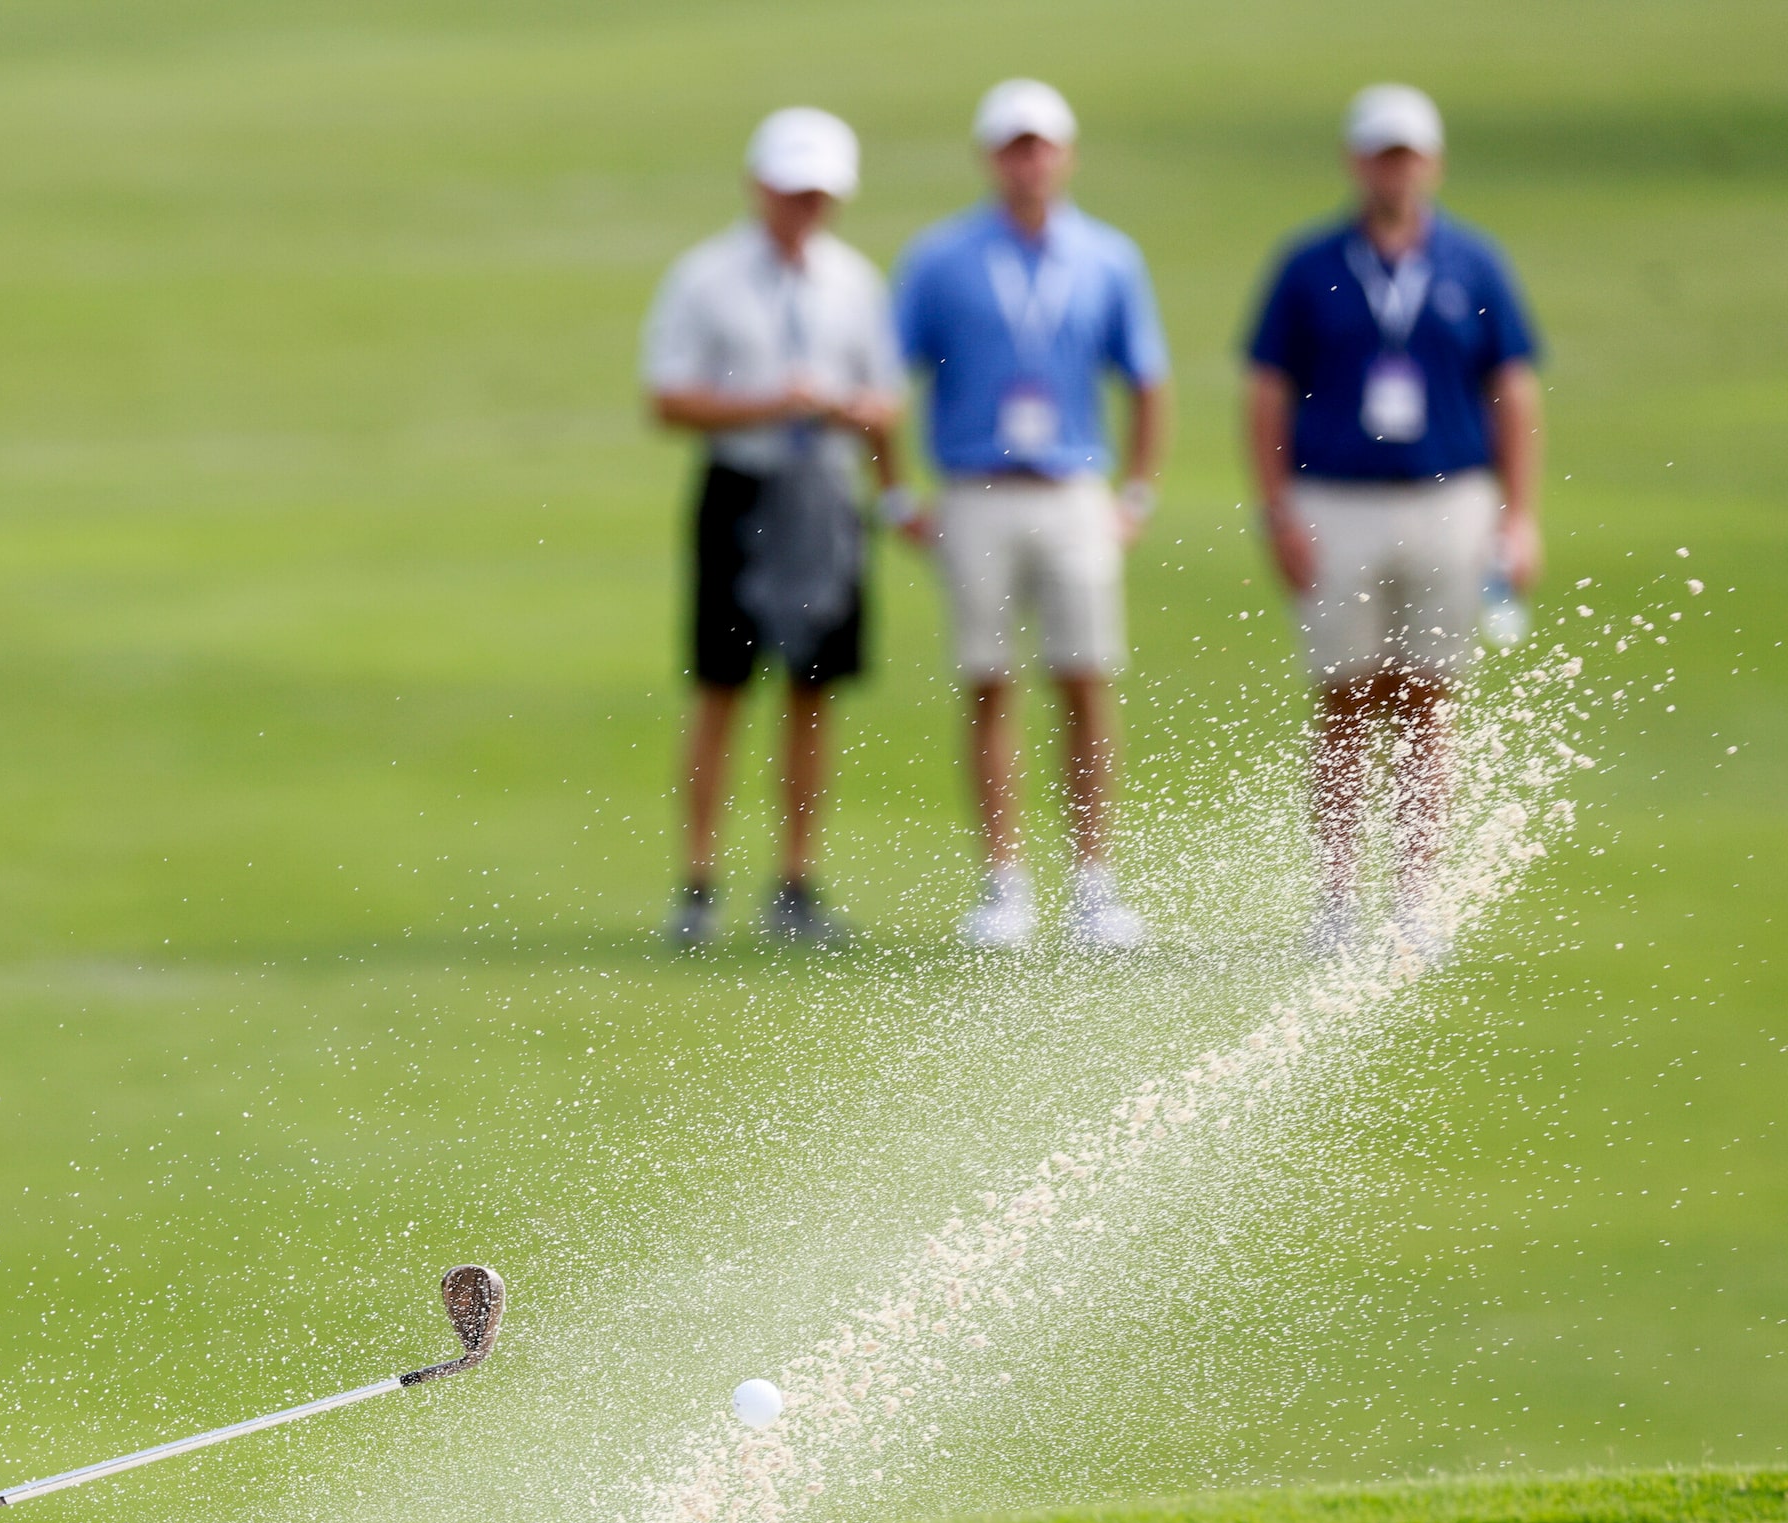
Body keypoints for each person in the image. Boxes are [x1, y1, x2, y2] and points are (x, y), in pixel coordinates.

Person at [1243, 84, 1542, 964]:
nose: (1394, 169)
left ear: (1432, 163)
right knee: (1343, 696)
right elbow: (1265, 395)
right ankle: (1337, 900)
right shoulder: (1309, 267)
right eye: (1380, 153)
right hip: (1336, 499)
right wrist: (1276, 510)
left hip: (1450, 496)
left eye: (1407, 154)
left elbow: (1512, 391)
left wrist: (1518, 518)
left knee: (1426, 701)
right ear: (1355, 162)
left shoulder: (1472, 265)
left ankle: (1414, 898)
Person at [891, 79, 1173, 951]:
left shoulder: (1108, 258)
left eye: (1042, 146)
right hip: (976, 488)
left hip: (1072, 487)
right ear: (990, 158)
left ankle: (1094, 882)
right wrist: (897, 492)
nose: (1029, 162)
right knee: (988, 683)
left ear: (1067, 155)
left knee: (1085, 677)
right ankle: (1003, 883)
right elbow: (886, 383)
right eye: (1014, 147)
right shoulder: (940, 259)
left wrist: (1136, 492)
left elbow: (1146, 378)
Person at [641, 106, 907, 948]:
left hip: (823, 494)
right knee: (721, 685)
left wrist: (862, 434)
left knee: (813, 692)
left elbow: (887, 399)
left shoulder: (856, 282)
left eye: (819, 194)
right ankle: (697, 883)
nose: (805, 208)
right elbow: (668, 396)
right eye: (793, 192)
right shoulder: (706, 277)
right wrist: (770, 403)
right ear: (761, 188)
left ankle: (795, 882)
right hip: (742, 485)